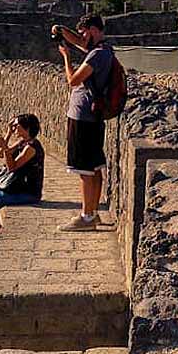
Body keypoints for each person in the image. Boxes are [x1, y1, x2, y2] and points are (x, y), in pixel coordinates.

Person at [52, 14, 114, 231]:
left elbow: (73, 80)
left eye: (85, 32)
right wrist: (62, 30)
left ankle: (86, 217)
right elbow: (79, 42)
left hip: (83, 117)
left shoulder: (97, 55)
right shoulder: (104, 51)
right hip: (93, 117)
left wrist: (66, 58)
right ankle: (93, 213)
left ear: (95, 30)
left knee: (84, 170)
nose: (81, 37)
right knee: (95, 168)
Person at [0, 114, 45, 247]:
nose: (15, 128)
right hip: (16, 187)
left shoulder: (31, 148)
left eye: (17, 126)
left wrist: (5, 148)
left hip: (28, 192)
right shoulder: (22, 142)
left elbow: (12, 167)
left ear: (27, 128)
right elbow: (0, 154)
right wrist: (7, 135)